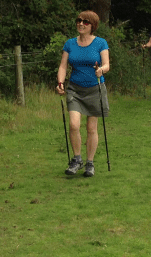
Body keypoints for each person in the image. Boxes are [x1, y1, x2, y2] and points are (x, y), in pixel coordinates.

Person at [56, 10, 110, 178]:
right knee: (73, 124)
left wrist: (101, 70)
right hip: (75, 89)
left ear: (92, 26)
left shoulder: (100, 43)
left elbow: (107, 64)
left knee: (91, 128)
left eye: (85, 22)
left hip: (95, 88)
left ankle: (90, 163)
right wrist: (60, 83)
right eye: (78, 21)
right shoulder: (70, 44)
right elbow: (63, 65)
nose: (80, 24)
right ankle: (77, 160)